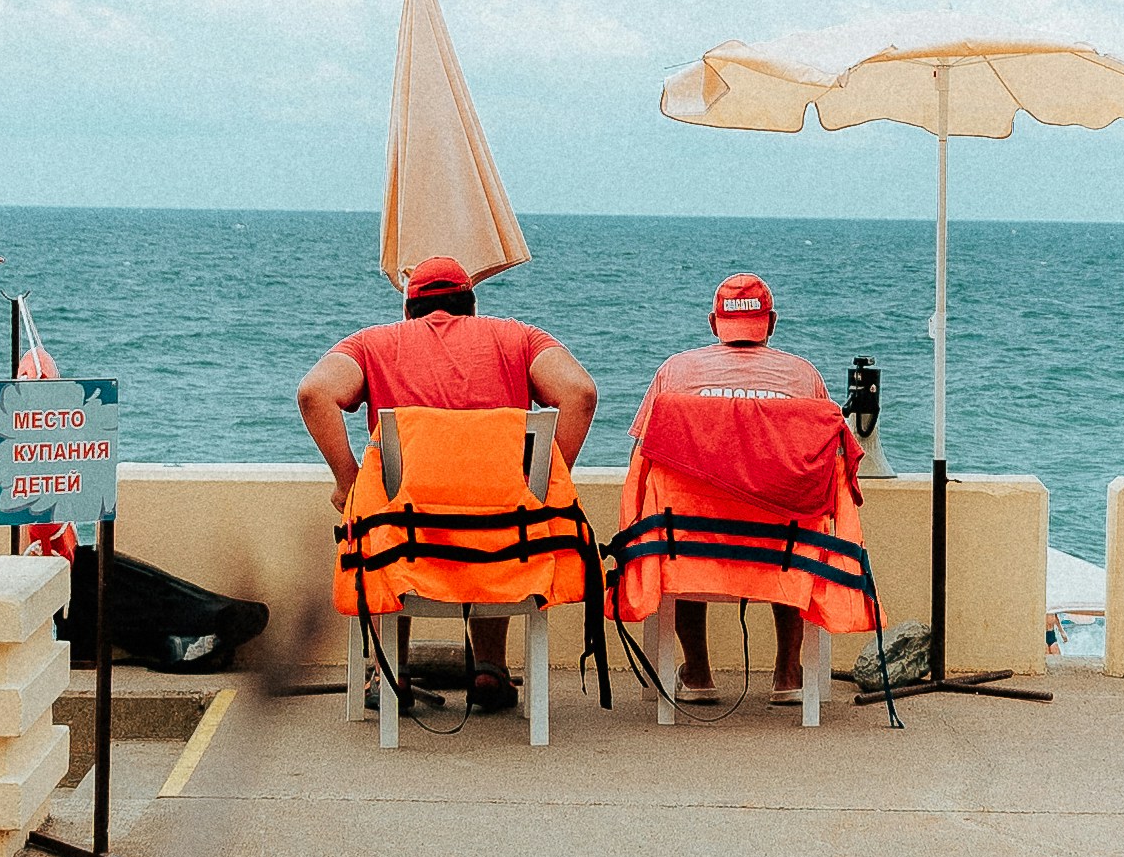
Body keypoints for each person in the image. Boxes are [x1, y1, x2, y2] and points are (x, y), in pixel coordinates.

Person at [300, 263, 598, 713]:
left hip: (407, 541)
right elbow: (580, 391)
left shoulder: (372, 343)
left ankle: (389, 672)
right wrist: (540, 487)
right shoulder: (519, 337)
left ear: (408, 310)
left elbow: (313, 392)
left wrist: (348, 481)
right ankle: (490, 669)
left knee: (382, 520)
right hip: (504, 536)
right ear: (472, 308)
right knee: (500, 523)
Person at [639, 274, 849, 705]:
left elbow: (644, 458)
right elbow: (831, 466)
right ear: (770, 322)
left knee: (682, 521)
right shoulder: (803, 376)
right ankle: (789, 673)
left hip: (693, 547)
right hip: (782, 548)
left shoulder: (675, 372)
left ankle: (697, 675)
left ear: (714, 323)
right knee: (796, 524)